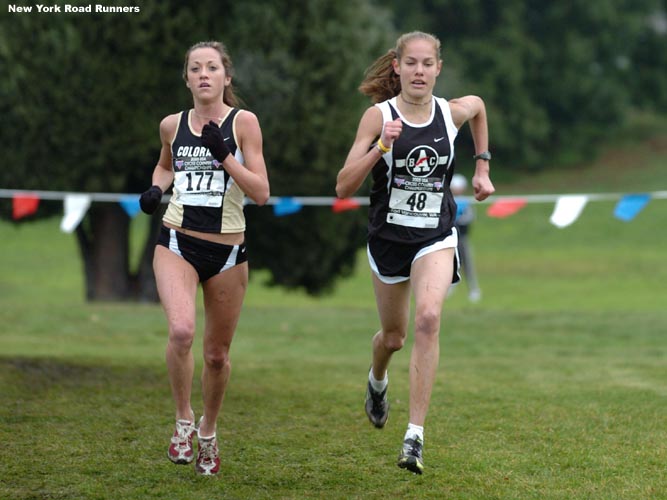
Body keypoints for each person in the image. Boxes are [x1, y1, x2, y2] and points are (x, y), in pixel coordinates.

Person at [335, 31, 494, 475]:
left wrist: (482, 167)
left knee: (428, 318)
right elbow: (343, 185)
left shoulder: (450, 113)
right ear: (397, 68)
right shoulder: (376, 117)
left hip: (435, 236)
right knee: (394, 337)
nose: (420, 71)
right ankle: (377, 379)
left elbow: (478, 104)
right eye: (412, 63)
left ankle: (414, 436)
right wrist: (380, 147)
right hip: (388, 241)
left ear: (438, 69)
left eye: (428, 63)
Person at [139, 41, 270, 476]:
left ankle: (209, 433)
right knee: (180, 331)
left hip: (229, 251)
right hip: (176, 241)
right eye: (195, 68)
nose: (203, 74)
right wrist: (157, 188)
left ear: (226, 78)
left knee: (216, 356)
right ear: (187, 78)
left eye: (212, 67)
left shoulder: (244, 123)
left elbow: (261, 193)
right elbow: (165, 165)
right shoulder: (171, 125)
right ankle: (182, 423)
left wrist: (225, 155)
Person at [450, 173, 482, 302]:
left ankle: (474, 289)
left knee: (467, 264)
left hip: (462, 237)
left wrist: (458, 221)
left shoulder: (465, 202)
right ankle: (449, 286)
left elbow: (469, 217)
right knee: (449, 264)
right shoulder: (448, 200)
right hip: (449, 238)